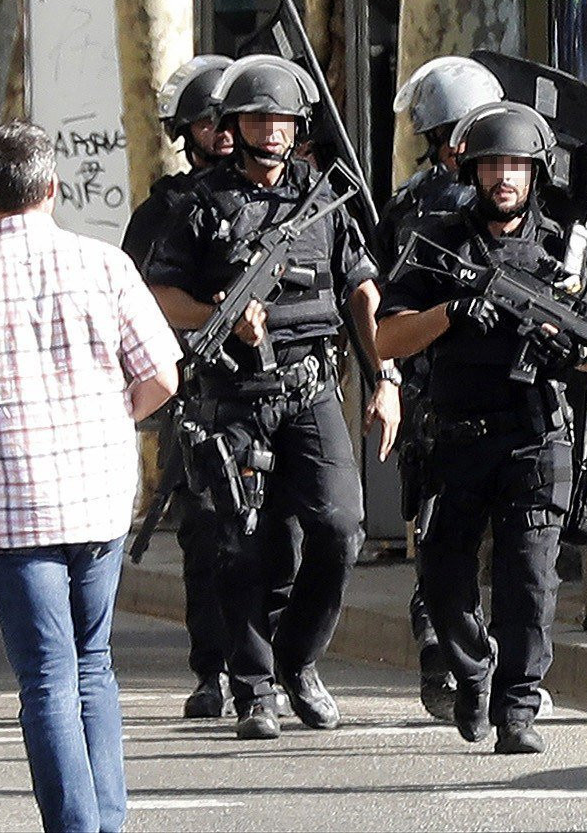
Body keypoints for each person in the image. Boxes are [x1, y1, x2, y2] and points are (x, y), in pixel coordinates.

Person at [0, 121, 180, 833]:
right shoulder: (105, 266)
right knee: (94, 663)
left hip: (13, 502)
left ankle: (73, 826)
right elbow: (162, 374)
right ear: (52, 186)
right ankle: (108, 816)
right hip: (99, 494)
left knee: (46, 674)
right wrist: (112, 414)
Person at [143, 54, 400, 741]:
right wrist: (216, 311)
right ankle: (252, 687)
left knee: (339, 525)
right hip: (231, 394)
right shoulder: (198, 206)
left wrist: (386, 377)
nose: (270, 131)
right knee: (237, 543)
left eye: (281, 119)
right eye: (257, 118)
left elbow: (362, 292)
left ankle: (298, 659)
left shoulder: (323, 197)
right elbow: (157, 294)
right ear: (233, 124)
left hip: (310, 387)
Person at [375, 101, 587, 755]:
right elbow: (385, 334)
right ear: (471, 170)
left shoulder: (563, 253)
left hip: (535, 438)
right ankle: (472, 668)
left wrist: (570, 348)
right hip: (453, 438)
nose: (503, 176)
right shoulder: (438, 241)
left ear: (535, 171)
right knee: (444, 580)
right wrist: (450, 312)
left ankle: (516, 708)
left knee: (528, 580)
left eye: (515, 164)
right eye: (491, 164)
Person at [123, 56, 247, 721]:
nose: (222, 131)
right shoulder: (166, 209)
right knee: (206, 534)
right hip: (198, 389)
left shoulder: (274, 195)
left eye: (230, 118)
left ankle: (274, 660)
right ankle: (215, 669)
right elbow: (137, 298)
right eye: (207, 120)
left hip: (277, 383)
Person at [381, 54, 505, 720]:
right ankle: (455, 646)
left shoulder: (407, 199)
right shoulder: (479, 204)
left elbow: (379, 293)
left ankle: (440, 637)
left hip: (422, 389)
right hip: (474, 387)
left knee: (439, 528)